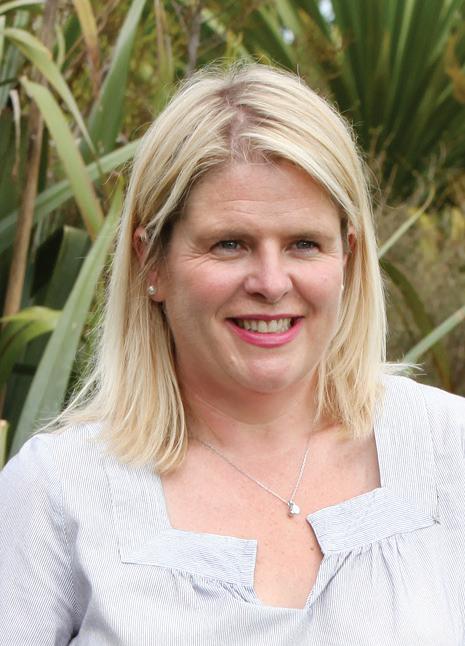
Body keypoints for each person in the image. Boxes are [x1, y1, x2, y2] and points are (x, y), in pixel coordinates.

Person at [1, 63, 464, 646]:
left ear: (347, 255)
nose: (271, 282)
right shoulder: (59, 490)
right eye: (229, 244)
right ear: (151, 261)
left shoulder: (446, 450)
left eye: (303, 243)